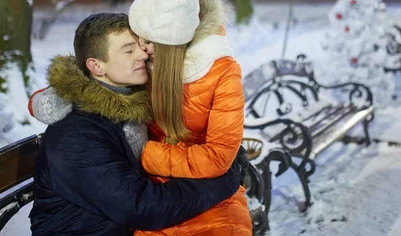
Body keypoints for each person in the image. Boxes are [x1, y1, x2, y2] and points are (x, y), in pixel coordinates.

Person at [28, 12, 243, 236]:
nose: (142, 54)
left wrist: (222, 155)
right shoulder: (75, 136)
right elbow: (142, 207)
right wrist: (222, 181)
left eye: (140, 45)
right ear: (97, 66)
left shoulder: (132, 106)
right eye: (128, 50)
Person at [127, 0, 252, 235]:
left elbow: (218, 157)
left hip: (210, 193)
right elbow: (95, 69)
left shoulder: (219, 69)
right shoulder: (141, 60)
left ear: (174, 41)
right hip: (153, 195)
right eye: (138, 35)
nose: (141, 47)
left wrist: (144, 152)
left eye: (150, 40)